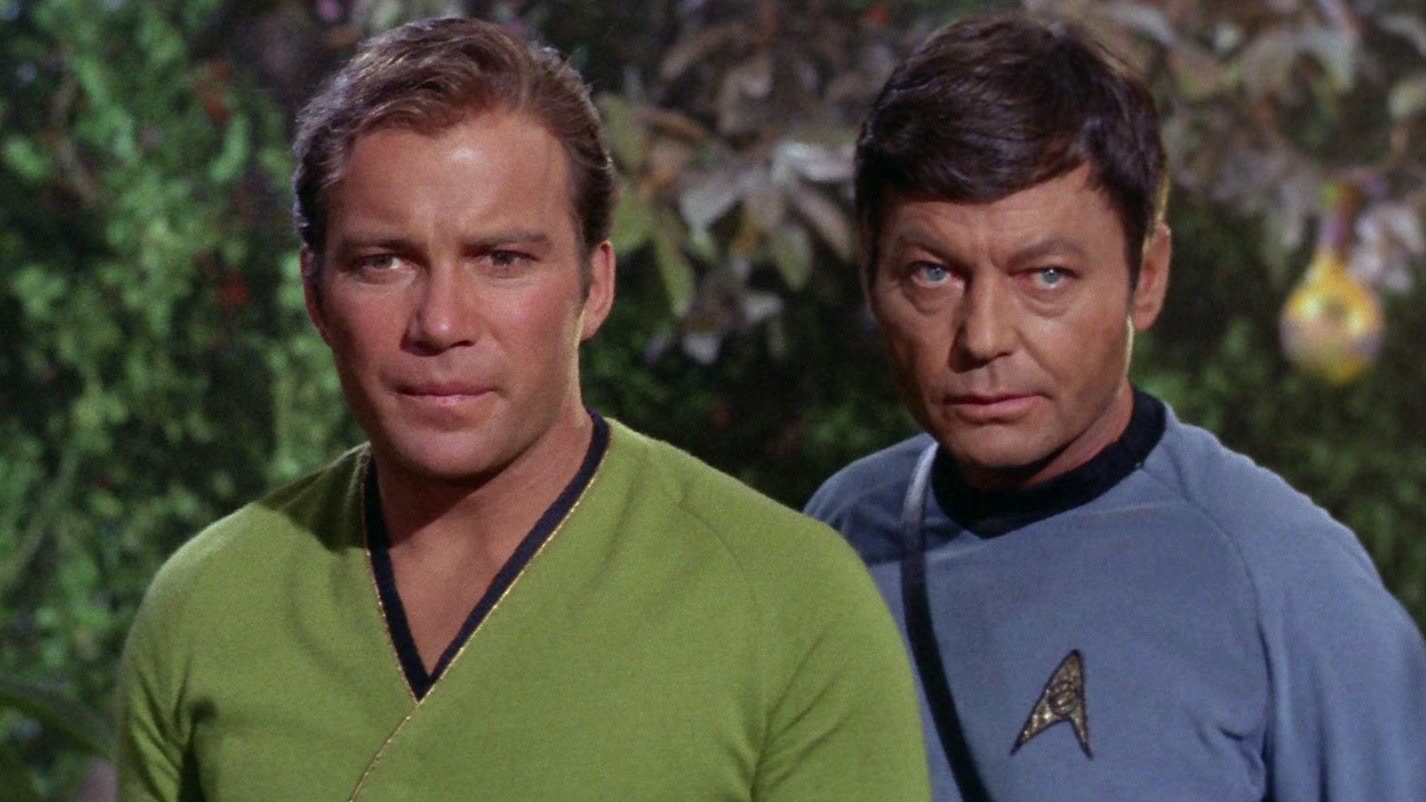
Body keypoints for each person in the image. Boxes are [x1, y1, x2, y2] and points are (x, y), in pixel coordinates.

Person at [117, 17, 929, 802]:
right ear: (315, 295)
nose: (440, 323)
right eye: (383, 262)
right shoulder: (208, 606)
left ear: (595, 287)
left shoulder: (790, 601)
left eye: (502, 259)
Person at [805, 12, 1426, 802]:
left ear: (1147, 278)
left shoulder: (1288, 580)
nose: (984, 336)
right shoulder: (842, 533)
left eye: (1047, 276)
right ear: (872, 275)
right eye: (934, 273)